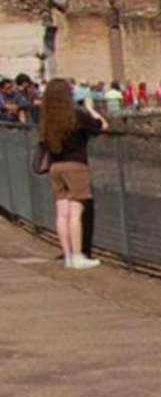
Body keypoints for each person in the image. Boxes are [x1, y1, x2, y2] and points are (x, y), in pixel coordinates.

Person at [39, 78, 108, 269]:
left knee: (62, 213)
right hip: (75, 165)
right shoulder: (76, 116)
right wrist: (91, 108)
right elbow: (101, 126)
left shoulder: (46, 119)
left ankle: (68, 255)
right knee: (76, 213)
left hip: (55, 167)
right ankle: (78, 256)